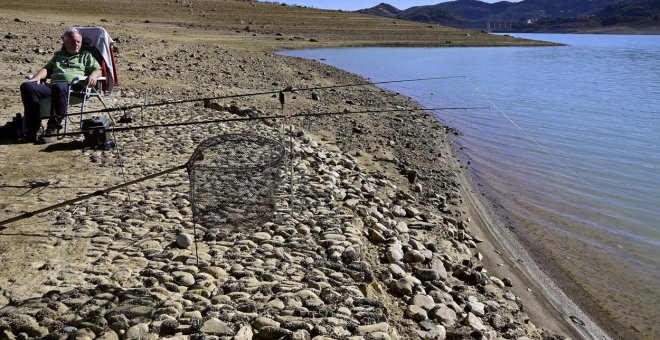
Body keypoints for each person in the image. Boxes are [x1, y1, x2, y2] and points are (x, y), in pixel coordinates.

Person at [20, 27, 101, 143]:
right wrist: (36, 77)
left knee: (59, 86)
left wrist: (93, 76)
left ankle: (53, 129)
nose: (77, 44)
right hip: (55, 87)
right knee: (27, 86)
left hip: (75, 88)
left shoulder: (86, 55)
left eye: (79, 42)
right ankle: (33, 128)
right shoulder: (59, 55)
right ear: (65, 42)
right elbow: (47, 69)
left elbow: (98, 70)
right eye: (73, 42)